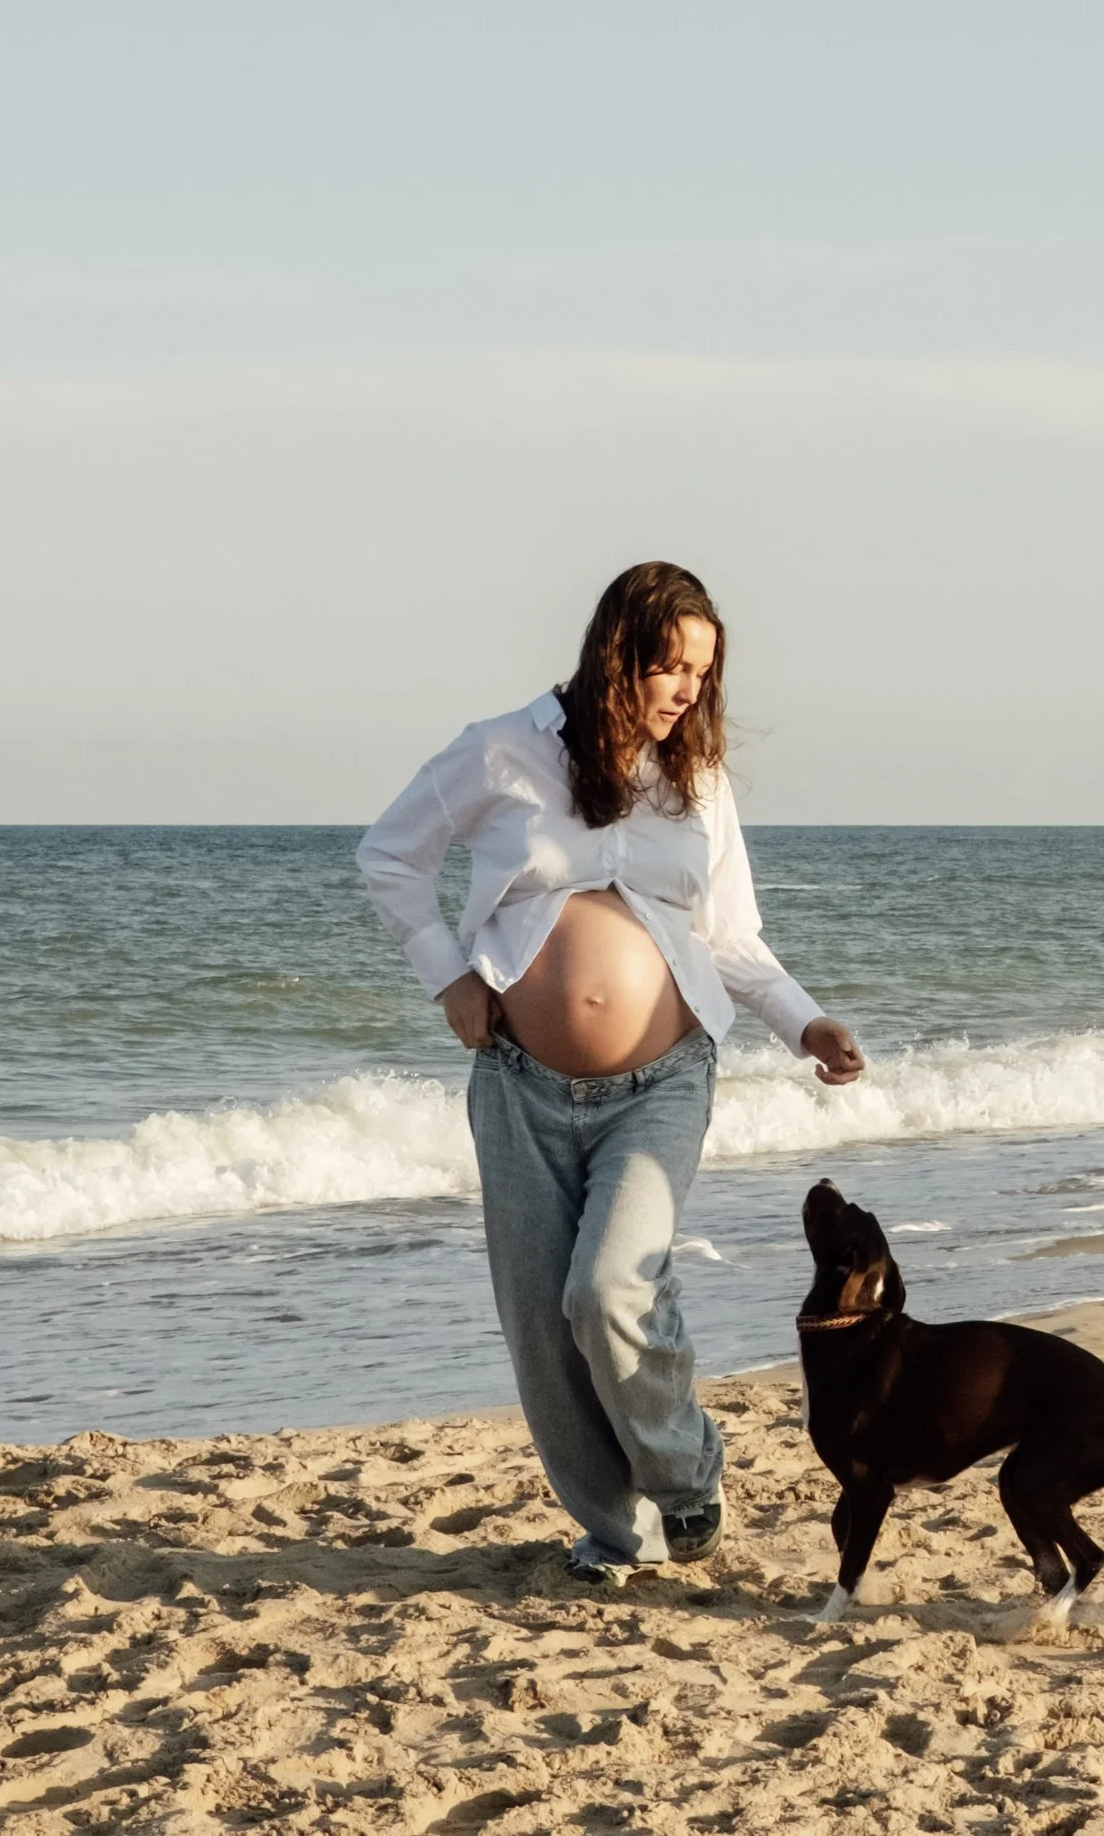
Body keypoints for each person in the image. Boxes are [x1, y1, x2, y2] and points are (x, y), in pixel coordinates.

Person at [359, 561, 865, 1583]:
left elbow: (731, 936)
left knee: (606, 1286)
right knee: (543, 1326)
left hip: (663, 1079)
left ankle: (688, 1474)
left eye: (700, 671)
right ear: (614, 651)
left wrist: (804, 1022)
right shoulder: (499, 750)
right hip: (520, 1083)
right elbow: (389, 856)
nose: (684, 688)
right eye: (667, 664)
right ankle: (617, 1527)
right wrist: (449, 976)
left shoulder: (699, 781)